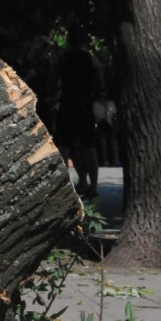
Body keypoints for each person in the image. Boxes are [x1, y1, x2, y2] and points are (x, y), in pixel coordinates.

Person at [55, 28, 102, 198]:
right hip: (84, 104)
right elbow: (99, 81)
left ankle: (62, 185)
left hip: (67, 103)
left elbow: (56, 78)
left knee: (65, 146)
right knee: (88, 147)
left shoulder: (62, 58)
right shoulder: (91, 59)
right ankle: (93, 185)